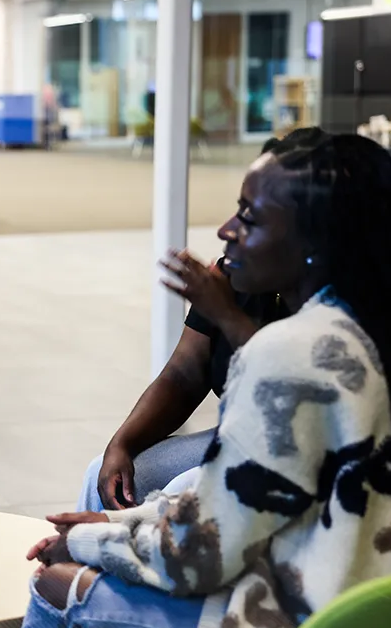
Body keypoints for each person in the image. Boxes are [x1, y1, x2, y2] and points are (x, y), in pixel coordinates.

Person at [0, 129, 391, 628]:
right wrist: (116, 528)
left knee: (58, 587)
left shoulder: (289, 352)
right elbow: (252, 506)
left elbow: (199, 558)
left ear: (315, 242)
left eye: (249, 217)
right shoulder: (369, 331)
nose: (224, 230)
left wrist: (83, 549)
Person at [77, 136, 309, 514]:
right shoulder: (234, 274)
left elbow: (298, 402)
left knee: (181, 494)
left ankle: (97, 568)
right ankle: (83, 566)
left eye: (249, 216)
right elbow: (184, 374)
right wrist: (122, 443)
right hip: (242, 433)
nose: (226, 229)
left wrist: (227, 316)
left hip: (303, 450)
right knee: (103, 474)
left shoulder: (340, 304)